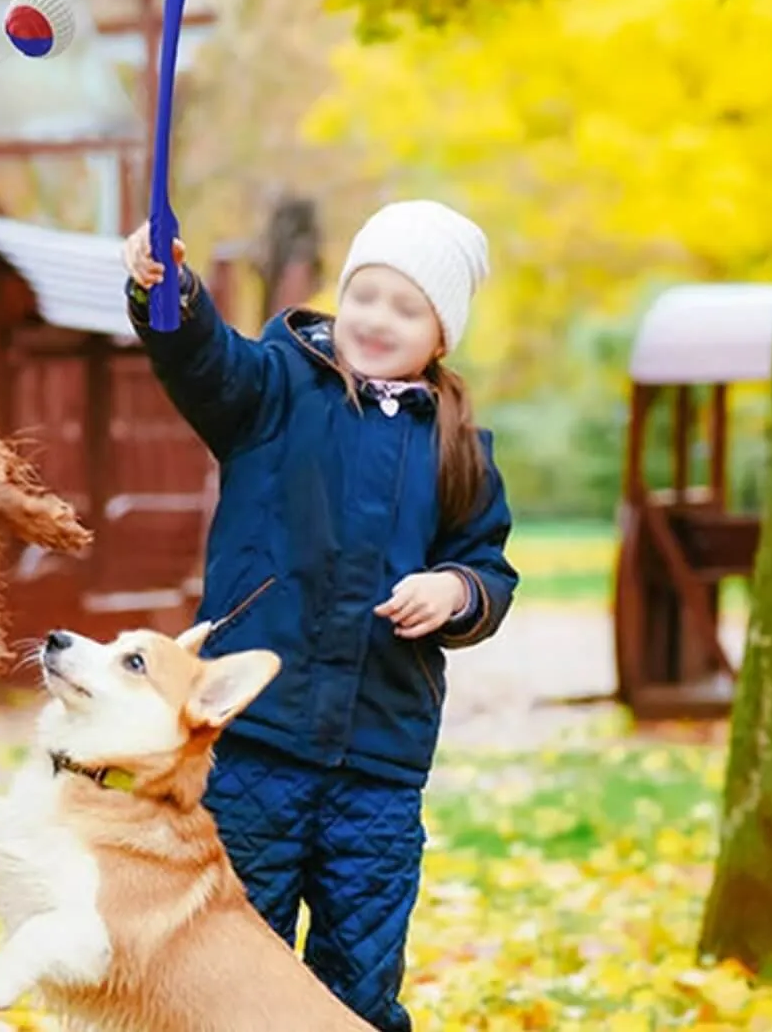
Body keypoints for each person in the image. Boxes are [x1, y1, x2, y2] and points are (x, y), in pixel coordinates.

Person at [120, 199, 518, 1031]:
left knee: (357, 985)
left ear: (440, 336)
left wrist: (455, 590)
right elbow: (204, 361)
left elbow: (488, 567)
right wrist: (172, 295)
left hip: (378, 764)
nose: (377, 319)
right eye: (366, 295)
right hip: (256, 745)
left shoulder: (456, 446)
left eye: (407, 308)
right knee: (228, 963)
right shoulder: (276, 388)